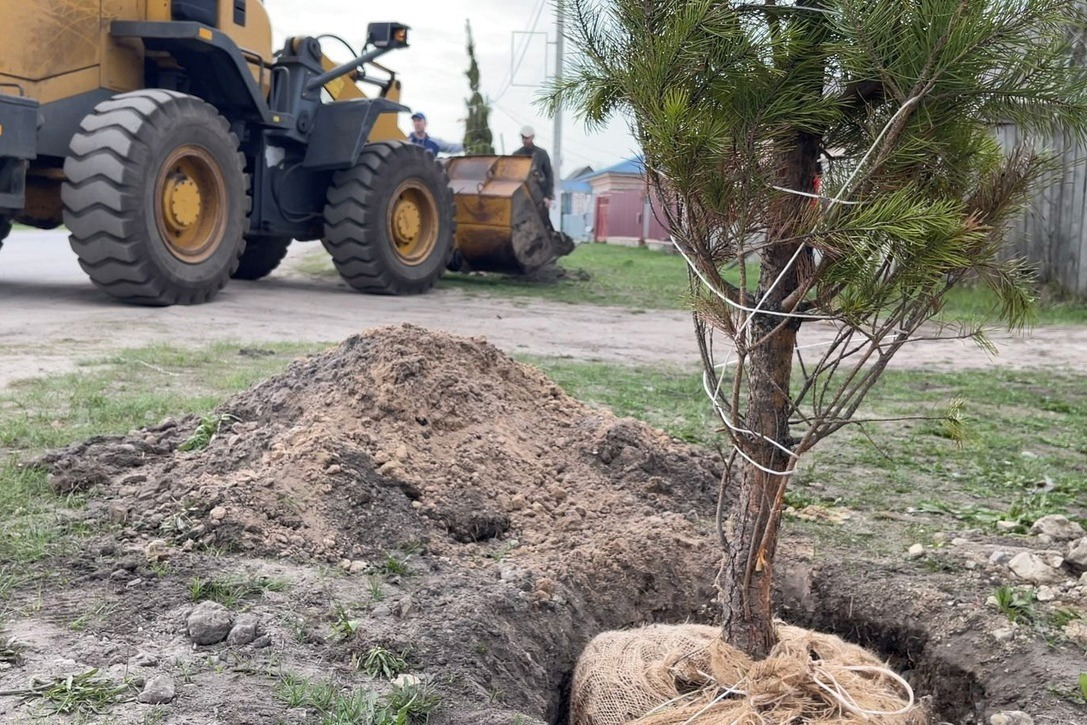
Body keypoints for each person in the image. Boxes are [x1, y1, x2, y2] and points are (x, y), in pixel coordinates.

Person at [512, 125, 554, 207]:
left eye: (527, 138)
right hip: (521, 197)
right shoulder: (517, 154)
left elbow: (549, 175)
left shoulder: (541, 154)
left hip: (539, 197)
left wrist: (548, 196)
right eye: (523, 138)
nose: (524, 140)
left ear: (532, 137)